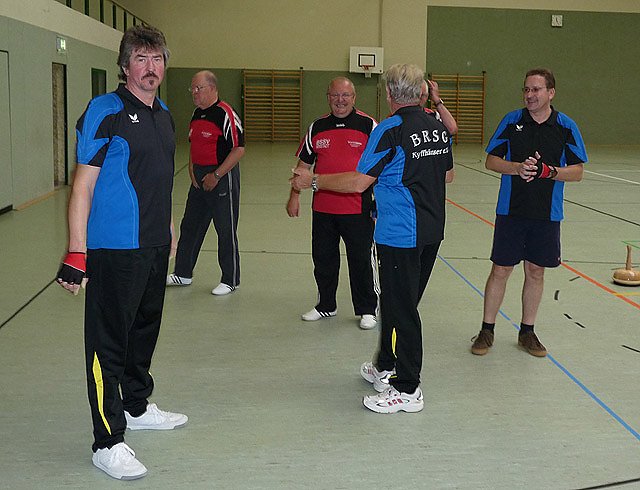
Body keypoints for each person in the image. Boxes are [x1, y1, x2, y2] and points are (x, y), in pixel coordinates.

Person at [56, 26, 187, 480]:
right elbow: (82, 185)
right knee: (108, 345)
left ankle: (136, 405)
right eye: (141, 59)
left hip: (153, 244)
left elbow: (160, 178)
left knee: (144, 331)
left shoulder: (164, 115)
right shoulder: (104, 111)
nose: (151, 68)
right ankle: (107, 441)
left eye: (157, 59)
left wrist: (168, 227)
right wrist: (77, 251)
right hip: (114, 249)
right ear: (125, 65)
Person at [292, 64, 454, 413]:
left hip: (400, 233)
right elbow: (448, 175)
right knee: (398, 304)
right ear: (421, 92)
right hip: (431, 230)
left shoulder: (390, 129)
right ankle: (384, 365)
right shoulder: (437, 126)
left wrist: (313, 181)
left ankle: (407, 388)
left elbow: (358, 182)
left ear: (390, 93)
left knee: (401, 309)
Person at [470, 67, 587, 357]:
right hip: (511, 210)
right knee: (501, 269)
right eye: (526, 89)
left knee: (535, 271)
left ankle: (527, 332)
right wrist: (516, 168)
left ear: (551, 93)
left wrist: (550, 172)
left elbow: (577, 172)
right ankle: (487, 329)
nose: (530, 95)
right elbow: (491, 161)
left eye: (536, 89)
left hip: (547, 214)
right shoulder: (512, 121)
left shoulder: (566, 127)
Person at [287, 77, 378, 330]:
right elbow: (302, 167)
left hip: (358, 208)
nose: (340, 100)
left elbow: (380, 168)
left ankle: (367, 309)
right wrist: (294, 195)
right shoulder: (317, 127)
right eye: (335, 95)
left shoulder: (369, 126)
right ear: (328, 97)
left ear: (354, 97)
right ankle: (325, 305)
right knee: (323, 260)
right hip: (323, 209)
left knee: (361, 260)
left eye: (345, 95)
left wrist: (378, 205)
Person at [166, 70, 245, 295]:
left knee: (225, 229)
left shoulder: (226, 114)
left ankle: (230, 279)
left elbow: (239, 149)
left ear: (212, 88)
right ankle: (183, 273)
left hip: (222, 177)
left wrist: (216, 175)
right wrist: (192, 168)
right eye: (192, 89)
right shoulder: (197, 114)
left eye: (198, 88)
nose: (194, 92)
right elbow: (195, 144)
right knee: (190, 226)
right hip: (198, 180)